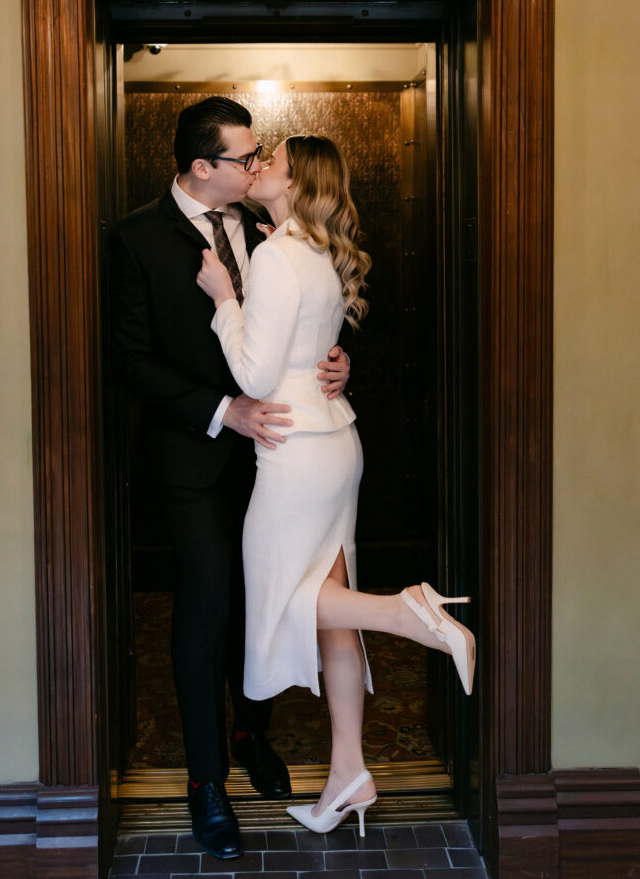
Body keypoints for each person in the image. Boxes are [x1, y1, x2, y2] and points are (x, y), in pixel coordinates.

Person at [197, 134, 476, 835]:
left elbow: (255, 378)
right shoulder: (311, 252)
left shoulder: (276, 255)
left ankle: (409, 614)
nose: (257, 167)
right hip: (332, 441)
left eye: (272, 162)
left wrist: (225, 298)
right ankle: (348, 774)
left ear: (295, 185)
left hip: (293, 449)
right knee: (332, 612)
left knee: (285, 596)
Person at [110, 99, 351, 859]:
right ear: (198, 167)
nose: (255, 167)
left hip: (281, 457)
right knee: (209, 603)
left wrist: (341, 365)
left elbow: (308, 324)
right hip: (194, 458)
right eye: (243, 158)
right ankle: (205, 784)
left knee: (269, 598)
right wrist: (223, 410)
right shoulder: (135, 237)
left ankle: (254, 734)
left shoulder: (271, 231)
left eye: (259, 158)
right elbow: (131, 360)